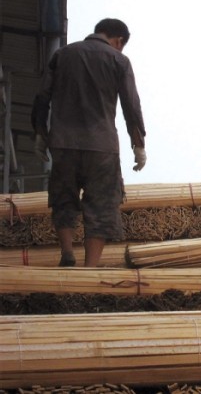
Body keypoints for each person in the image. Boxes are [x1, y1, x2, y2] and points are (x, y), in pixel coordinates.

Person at [31, 18, 147, 267]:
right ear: (118, 41)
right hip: (101, 146)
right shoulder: (119, 60)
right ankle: (90, 267)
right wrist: (138, 144)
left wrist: (40, 133)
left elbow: (42, 96)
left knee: (63, 198)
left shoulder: (63, 54)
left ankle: (67, 254)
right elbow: (131, 105)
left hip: (63, 143)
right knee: (102, 204)